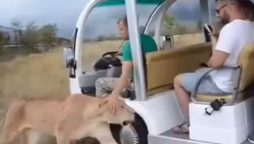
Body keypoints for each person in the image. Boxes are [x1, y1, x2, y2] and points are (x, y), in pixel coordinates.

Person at [173, 0, 254, 134]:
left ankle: (190, 123)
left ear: (231, 5)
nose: (218, 15)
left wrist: (207, 63)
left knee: (178, 80)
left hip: (222, 85)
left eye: (218, 11)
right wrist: (217, 37)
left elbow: (215, 63)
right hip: (243, 82)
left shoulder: (230, 29)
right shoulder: (250, 27)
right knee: (199, 72)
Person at [95, 16, 157, 111]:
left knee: (100, 82)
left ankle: (103, 112)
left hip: (138, 87)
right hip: (152, 82)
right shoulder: (149, 40)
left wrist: (114, 95)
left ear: (130, 28)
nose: (119, 33)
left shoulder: (130, 46)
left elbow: (126, 75)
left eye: (121, 29)